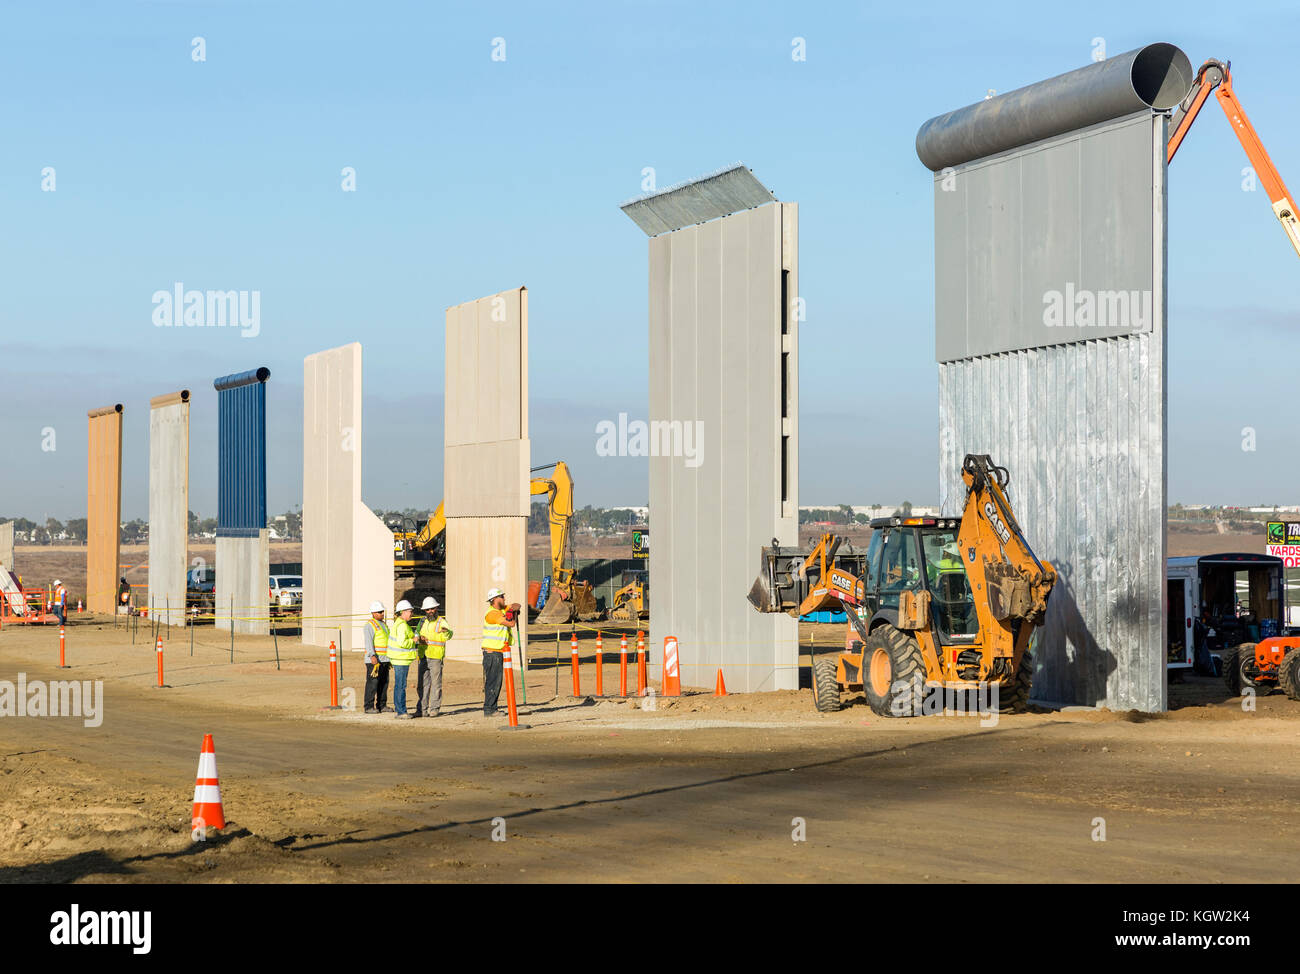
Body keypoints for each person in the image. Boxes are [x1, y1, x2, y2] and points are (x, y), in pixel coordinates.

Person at [481, 588, 521, 717]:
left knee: (495, 681)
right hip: (492, 653)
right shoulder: (493, 614)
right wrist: (513, 614)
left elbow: (515, 605)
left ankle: (491, 708)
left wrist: (512, 609)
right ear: (494, 600)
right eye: (502, 597)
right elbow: (511, 624)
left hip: (497, 652)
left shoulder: (500, 609)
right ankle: (490, 709)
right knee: (493, 682)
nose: (504, 599)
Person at [415, 596, 453, 718]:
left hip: (436, 657)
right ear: (424, 611)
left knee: (436, 684)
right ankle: (422, 709)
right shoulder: (422, 622)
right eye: (427, 609)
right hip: (423, 656)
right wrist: (419, 639)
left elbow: (449, 634)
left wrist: (446, 631)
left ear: (436, 608)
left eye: (432, 609)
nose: (430, 611)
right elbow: (416, 634)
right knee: (423, 684)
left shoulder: (442, 622)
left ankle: (434, 708)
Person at [387, 600, 420, 718]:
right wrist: (414, 641)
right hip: (401, 660)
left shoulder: (400, 624)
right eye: (410, 611)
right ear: (403, 612)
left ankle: (399, 709)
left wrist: (415, 636)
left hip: (399, 659)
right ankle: (401, 712)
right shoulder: (401, 625)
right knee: (401, 686)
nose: (412, 613)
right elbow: (402, 642)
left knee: (398, 685)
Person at [363, 601, 391, 714]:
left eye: (382, 611)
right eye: (380, 612)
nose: (382, 614)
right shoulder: (370, 625)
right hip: (374, 660)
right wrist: (372, 655)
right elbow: (369, 642)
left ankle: (381, 705)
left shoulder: (383, 625)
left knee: (384, 683)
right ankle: (368, 706)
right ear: (373, 613)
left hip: (385, 659)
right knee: (372, 683)